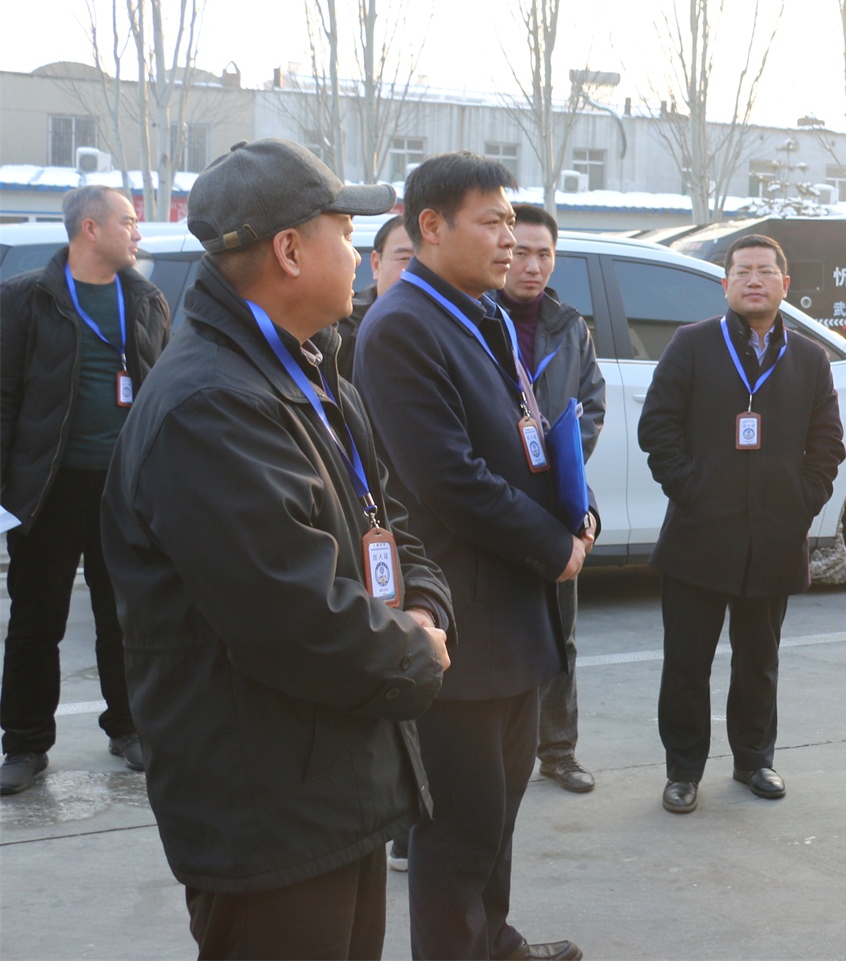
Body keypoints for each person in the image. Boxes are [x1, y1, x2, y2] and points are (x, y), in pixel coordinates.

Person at [100, 138, 452, 960]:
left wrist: (427, 604)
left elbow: (390, 521)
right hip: (266, 811)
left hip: (333, 780)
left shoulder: (309, 367)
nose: (359, 253)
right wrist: (417, 652)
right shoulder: (209, 404)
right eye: (346, 231)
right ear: (289, 250)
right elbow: (290, 615)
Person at [355, 152, 588, 961]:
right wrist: (554, 545)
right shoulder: (402, 327)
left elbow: (527, 437)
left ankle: (494, 940)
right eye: (491, 221)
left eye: (511, 220)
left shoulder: (475, 312)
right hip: (463, 614)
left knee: (497, 810)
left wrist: (577, 505)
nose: (509, 239)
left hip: (512, 613)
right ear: (431, 225)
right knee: (458, 826)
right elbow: (447, 479)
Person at [638, 234, 845, 814]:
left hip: (774, 536)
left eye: (765, 271)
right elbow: (658, 428)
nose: (754, 280)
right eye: (743, 271)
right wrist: (692, 490)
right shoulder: (692, 344)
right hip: (699, 534)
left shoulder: (808, 357)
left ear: (785, 284)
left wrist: (801, 501)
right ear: (725, 283)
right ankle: (683, 770)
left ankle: (755, 760)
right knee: (687, 663)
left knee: (759, 660)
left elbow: (827, 443)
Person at [0, 185, 168, 796]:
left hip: (122, 490)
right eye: (128, 221)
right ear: (90, 228)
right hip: (46, 488)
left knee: (123, 615)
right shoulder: (26, 298)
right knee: (35, 619)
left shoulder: (146, 300)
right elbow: (4, 399)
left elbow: (162, 398)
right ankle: (24, 744)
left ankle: (130, 728)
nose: (138, 233)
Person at [498, 203, 607, 795]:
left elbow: (591, 401)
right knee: (494, 631)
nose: (532, 265)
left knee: (559, 633)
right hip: (496, 498)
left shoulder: (570, 327)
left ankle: (559, 750)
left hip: (558, 500)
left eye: (544, 254)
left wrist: (562, 455)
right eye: (521, 252)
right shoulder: (477, 319)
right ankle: (498, 750)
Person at [335, 213, 415, 382]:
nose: (416, 271)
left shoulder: (456, 328)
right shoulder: (337, 332)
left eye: (426, 262)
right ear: (376, 265)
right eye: (405, 258)